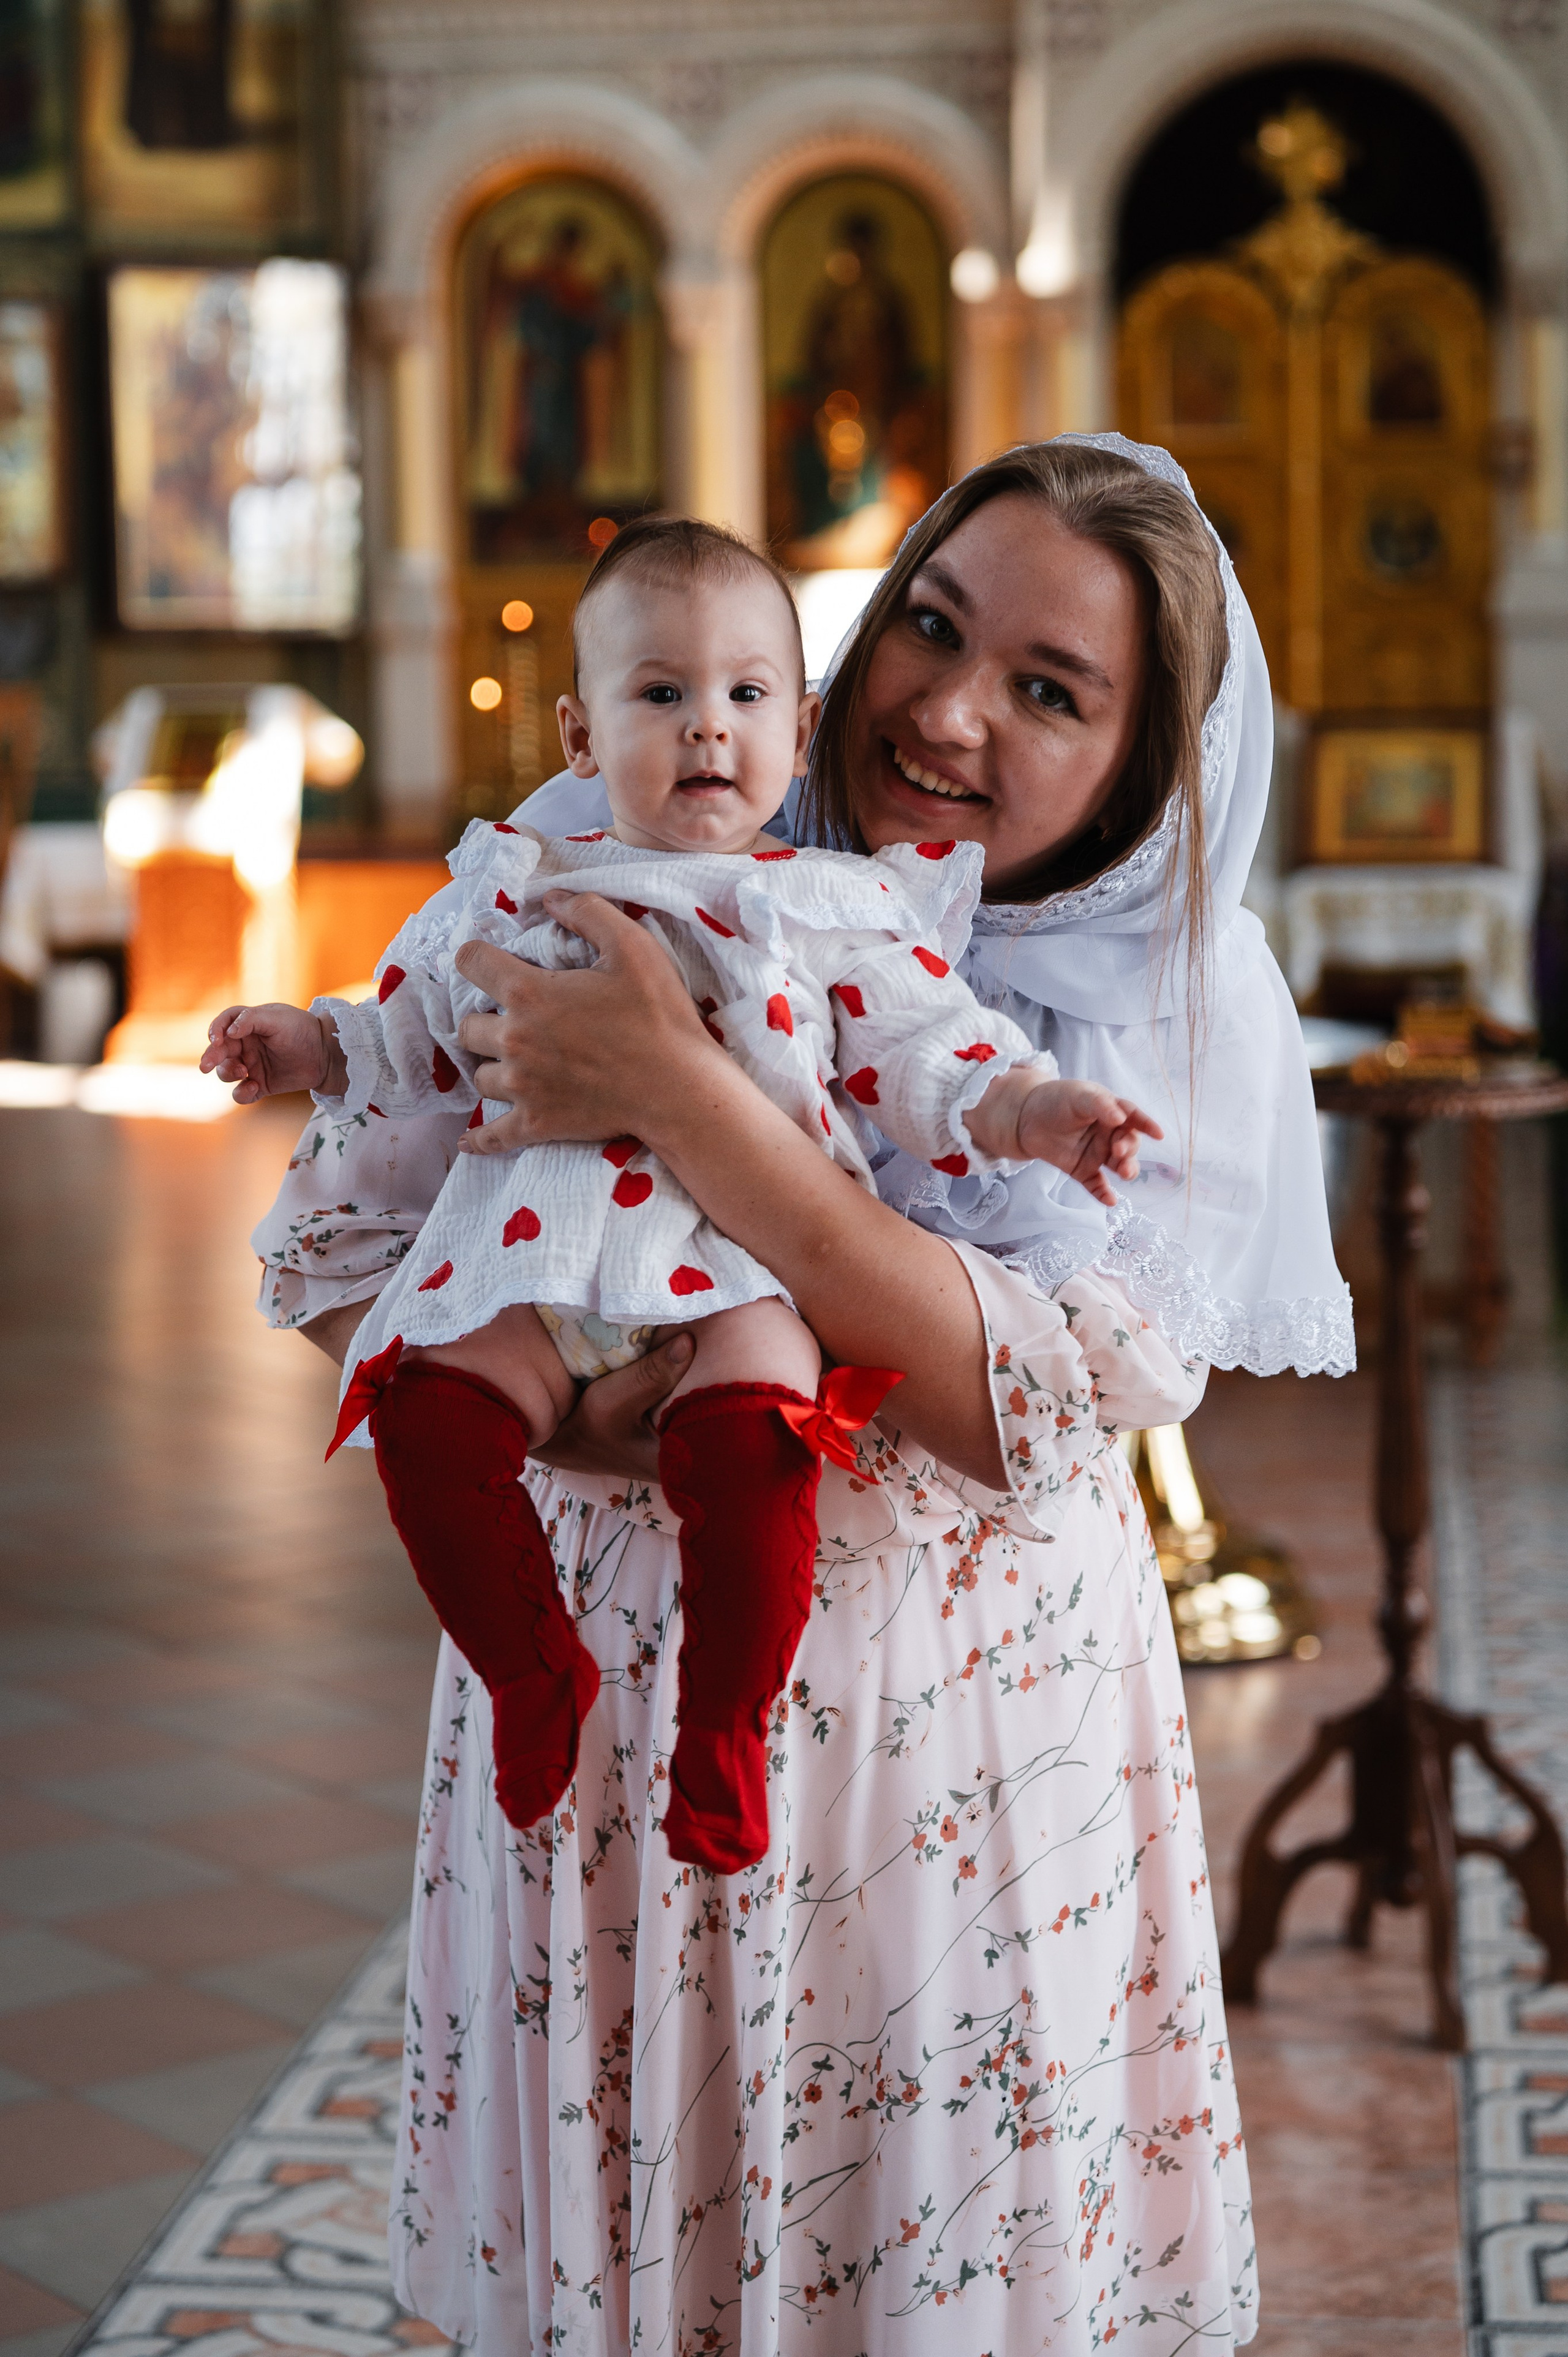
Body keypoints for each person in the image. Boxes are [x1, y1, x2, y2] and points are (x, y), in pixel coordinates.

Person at [249, 437, 1352, 2353]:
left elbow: (1021, 1410)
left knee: (907, 2247)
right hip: (594, 1709)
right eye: (930, 625)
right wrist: (541, 1401)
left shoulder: (1177, 1014)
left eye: (1048, 690)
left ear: (1143, 760)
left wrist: (682, 1099)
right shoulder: (641, 838)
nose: (943, 708)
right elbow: (354, 1235)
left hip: (955, 1747)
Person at [204, 516, 1158, 1875]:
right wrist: (311, 1044)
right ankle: (530, 1672)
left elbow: (927, 1058)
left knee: (755, 1433)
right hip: (540, 1256)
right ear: (580, 735)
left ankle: (724, 1722)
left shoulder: (831, 908)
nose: (707, 727)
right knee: (422, 1414)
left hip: (737, 1271)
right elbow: (414, 1032)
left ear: (800, 722)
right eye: (661, 694)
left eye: (745, 696)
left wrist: (1034, 1112)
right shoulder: (522, 884)